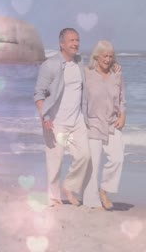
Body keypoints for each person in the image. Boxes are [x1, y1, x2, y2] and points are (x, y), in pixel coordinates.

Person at [33, 28, 91, 207]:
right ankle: (54, 198)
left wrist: (114, 67)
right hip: (56, 122)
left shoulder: (80, 62)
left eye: (77, 40)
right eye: (72, 40)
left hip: (77, 121)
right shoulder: (50, 65)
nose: (76, 43)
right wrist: (44, 116)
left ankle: (70, 186)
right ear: (62, 44)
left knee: (85, 156)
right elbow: (39, 93)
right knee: (55, 163)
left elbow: (98, 68)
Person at [82, 40, 126, 210]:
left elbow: (123, 98)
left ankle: (104, 190)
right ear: (96, 56)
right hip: (93, 123)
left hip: (112, 123)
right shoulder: (87, 73)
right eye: (104, 56)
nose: (107, 59)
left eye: (111, 56)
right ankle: (90, 202)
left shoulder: (117, 75)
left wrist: (123, 115)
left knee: (117, 159)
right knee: (93, 165)